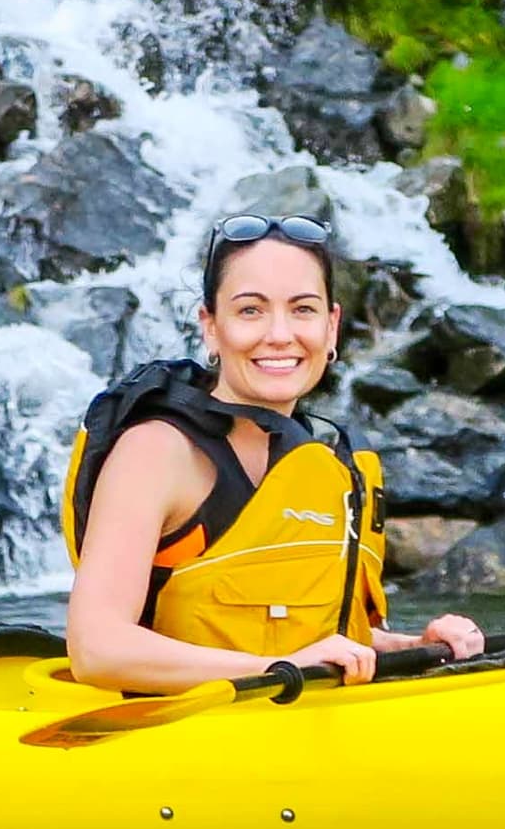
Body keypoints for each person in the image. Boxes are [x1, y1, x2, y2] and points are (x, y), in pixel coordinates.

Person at [60, 212, 483, 693]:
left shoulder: (333, 462)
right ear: (211, 326)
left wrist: (411, 648)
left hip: (296, 732)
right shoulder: (158, 451)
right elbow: (97, 650)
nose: (279, 334)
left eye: (302, 309)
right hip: (169, 741)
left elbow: (314, 643)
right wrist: (278, 669)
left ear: (332, 327)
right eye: (250, 311)